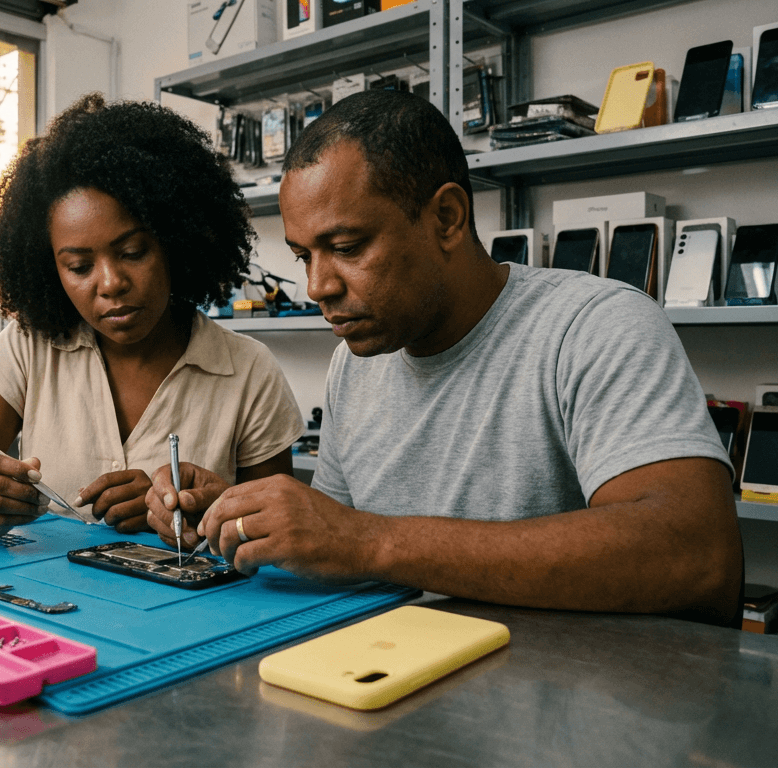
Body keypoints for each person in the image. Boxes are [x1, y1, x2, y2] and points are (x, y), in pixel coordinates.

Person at [145, 89, 743, 625]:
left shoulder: (594, 327)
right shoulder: (357, 362)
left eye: (347, 247)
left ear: (448, 219)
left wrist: (367, 542)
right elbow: (337, 541)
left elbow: (695, 556)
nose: (318, 287)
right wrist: (242, 520)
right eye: (304, 256)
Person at [0, 94, 304, 536]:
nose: (110, 282)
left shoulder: (249, 371)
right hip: (42, 600)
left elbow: (277, 534)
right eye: (79, 267)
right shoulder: (30, 346)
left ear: (176, 242)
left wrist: (192, 516)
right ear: (51, 269)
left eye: (132, 252)